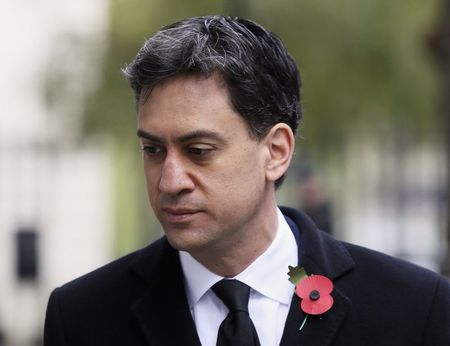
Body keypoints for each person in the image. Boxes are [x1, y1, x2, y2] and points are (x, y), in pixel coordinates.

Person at [44, 15, 450, 346]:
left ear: (275, 152)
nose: (169, 180)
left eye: (198, 151)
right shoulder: (83, 317)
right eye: (153, 150)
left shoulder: (413, 309)